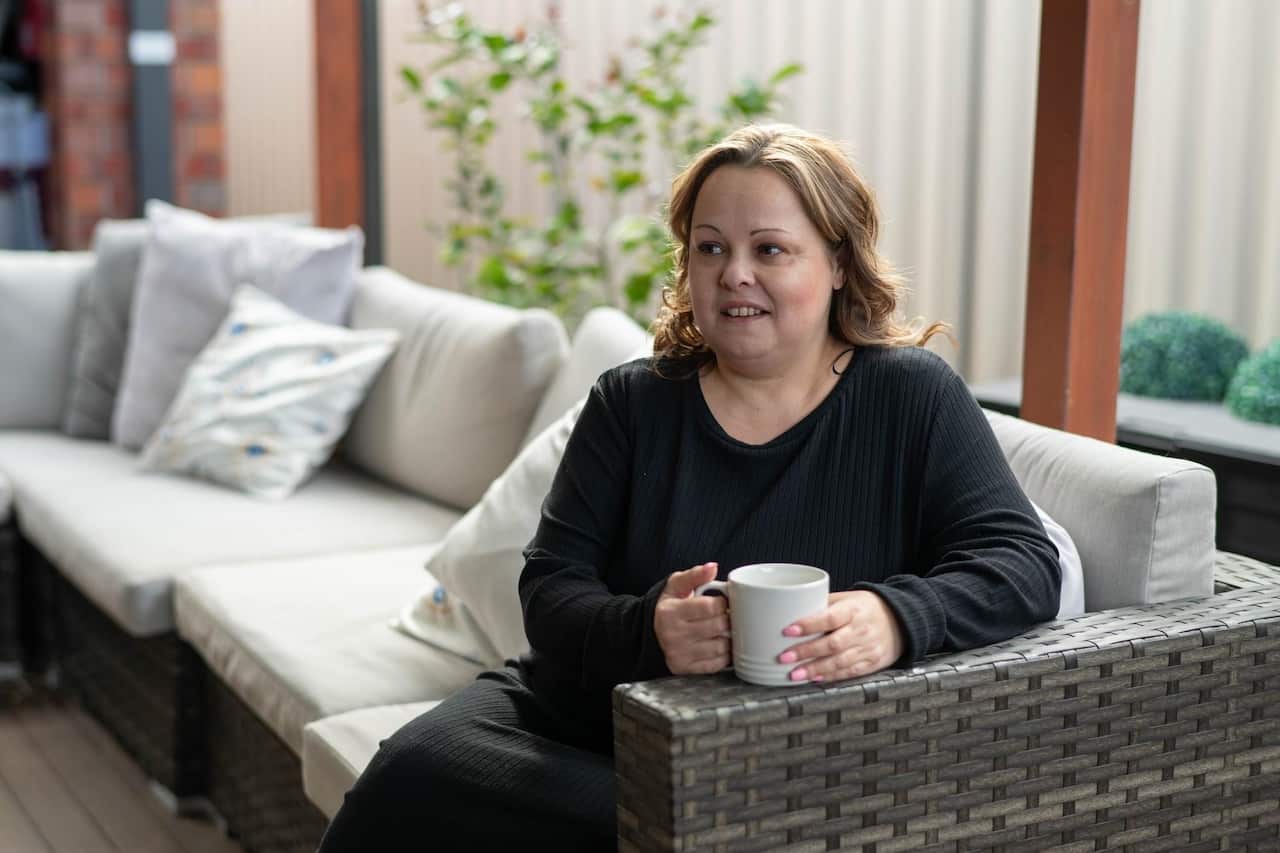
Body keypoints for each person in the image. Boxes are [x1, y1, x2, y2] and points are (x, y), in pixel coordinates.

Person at [317, 123, 1061, 851]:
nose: (734, 272)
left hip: (778, 750)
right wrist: (651, 629)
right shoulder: (632, 403)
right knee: (413, 769)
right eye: (711, 248)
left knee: (700, 825)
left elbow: (1022, 563)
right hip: (586, 718)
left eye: (769, 248)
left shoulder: (909, 395)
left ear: (837, 263)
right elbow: (549, 589)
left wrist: (896, 616)